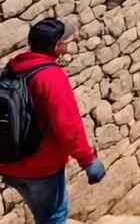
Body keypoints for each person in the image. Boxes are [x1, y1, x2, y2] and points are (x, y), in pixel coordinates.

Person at [0, 19, 106, 224]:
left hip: (9, 163)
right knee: (53, 217)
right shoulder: (51, 76)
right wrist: (88, 161)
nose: (66, 44)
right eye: (64, 41)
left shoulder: (14, 67)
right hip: (41, 167)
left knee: (42, 213)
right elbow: (68, 124)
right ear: (56, 46)